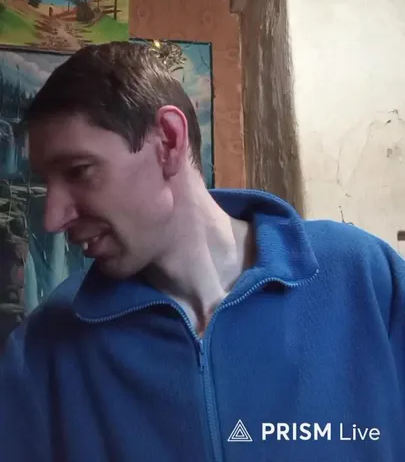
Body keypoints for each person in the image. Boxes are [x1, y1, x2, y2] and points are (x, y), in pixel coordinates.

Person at [0, 41, 404, 462]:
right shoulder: (44, 349)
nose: (52, 218)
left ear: (168, 141)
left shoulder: (364, 277)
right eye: (47, 182)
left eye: (79, 171)